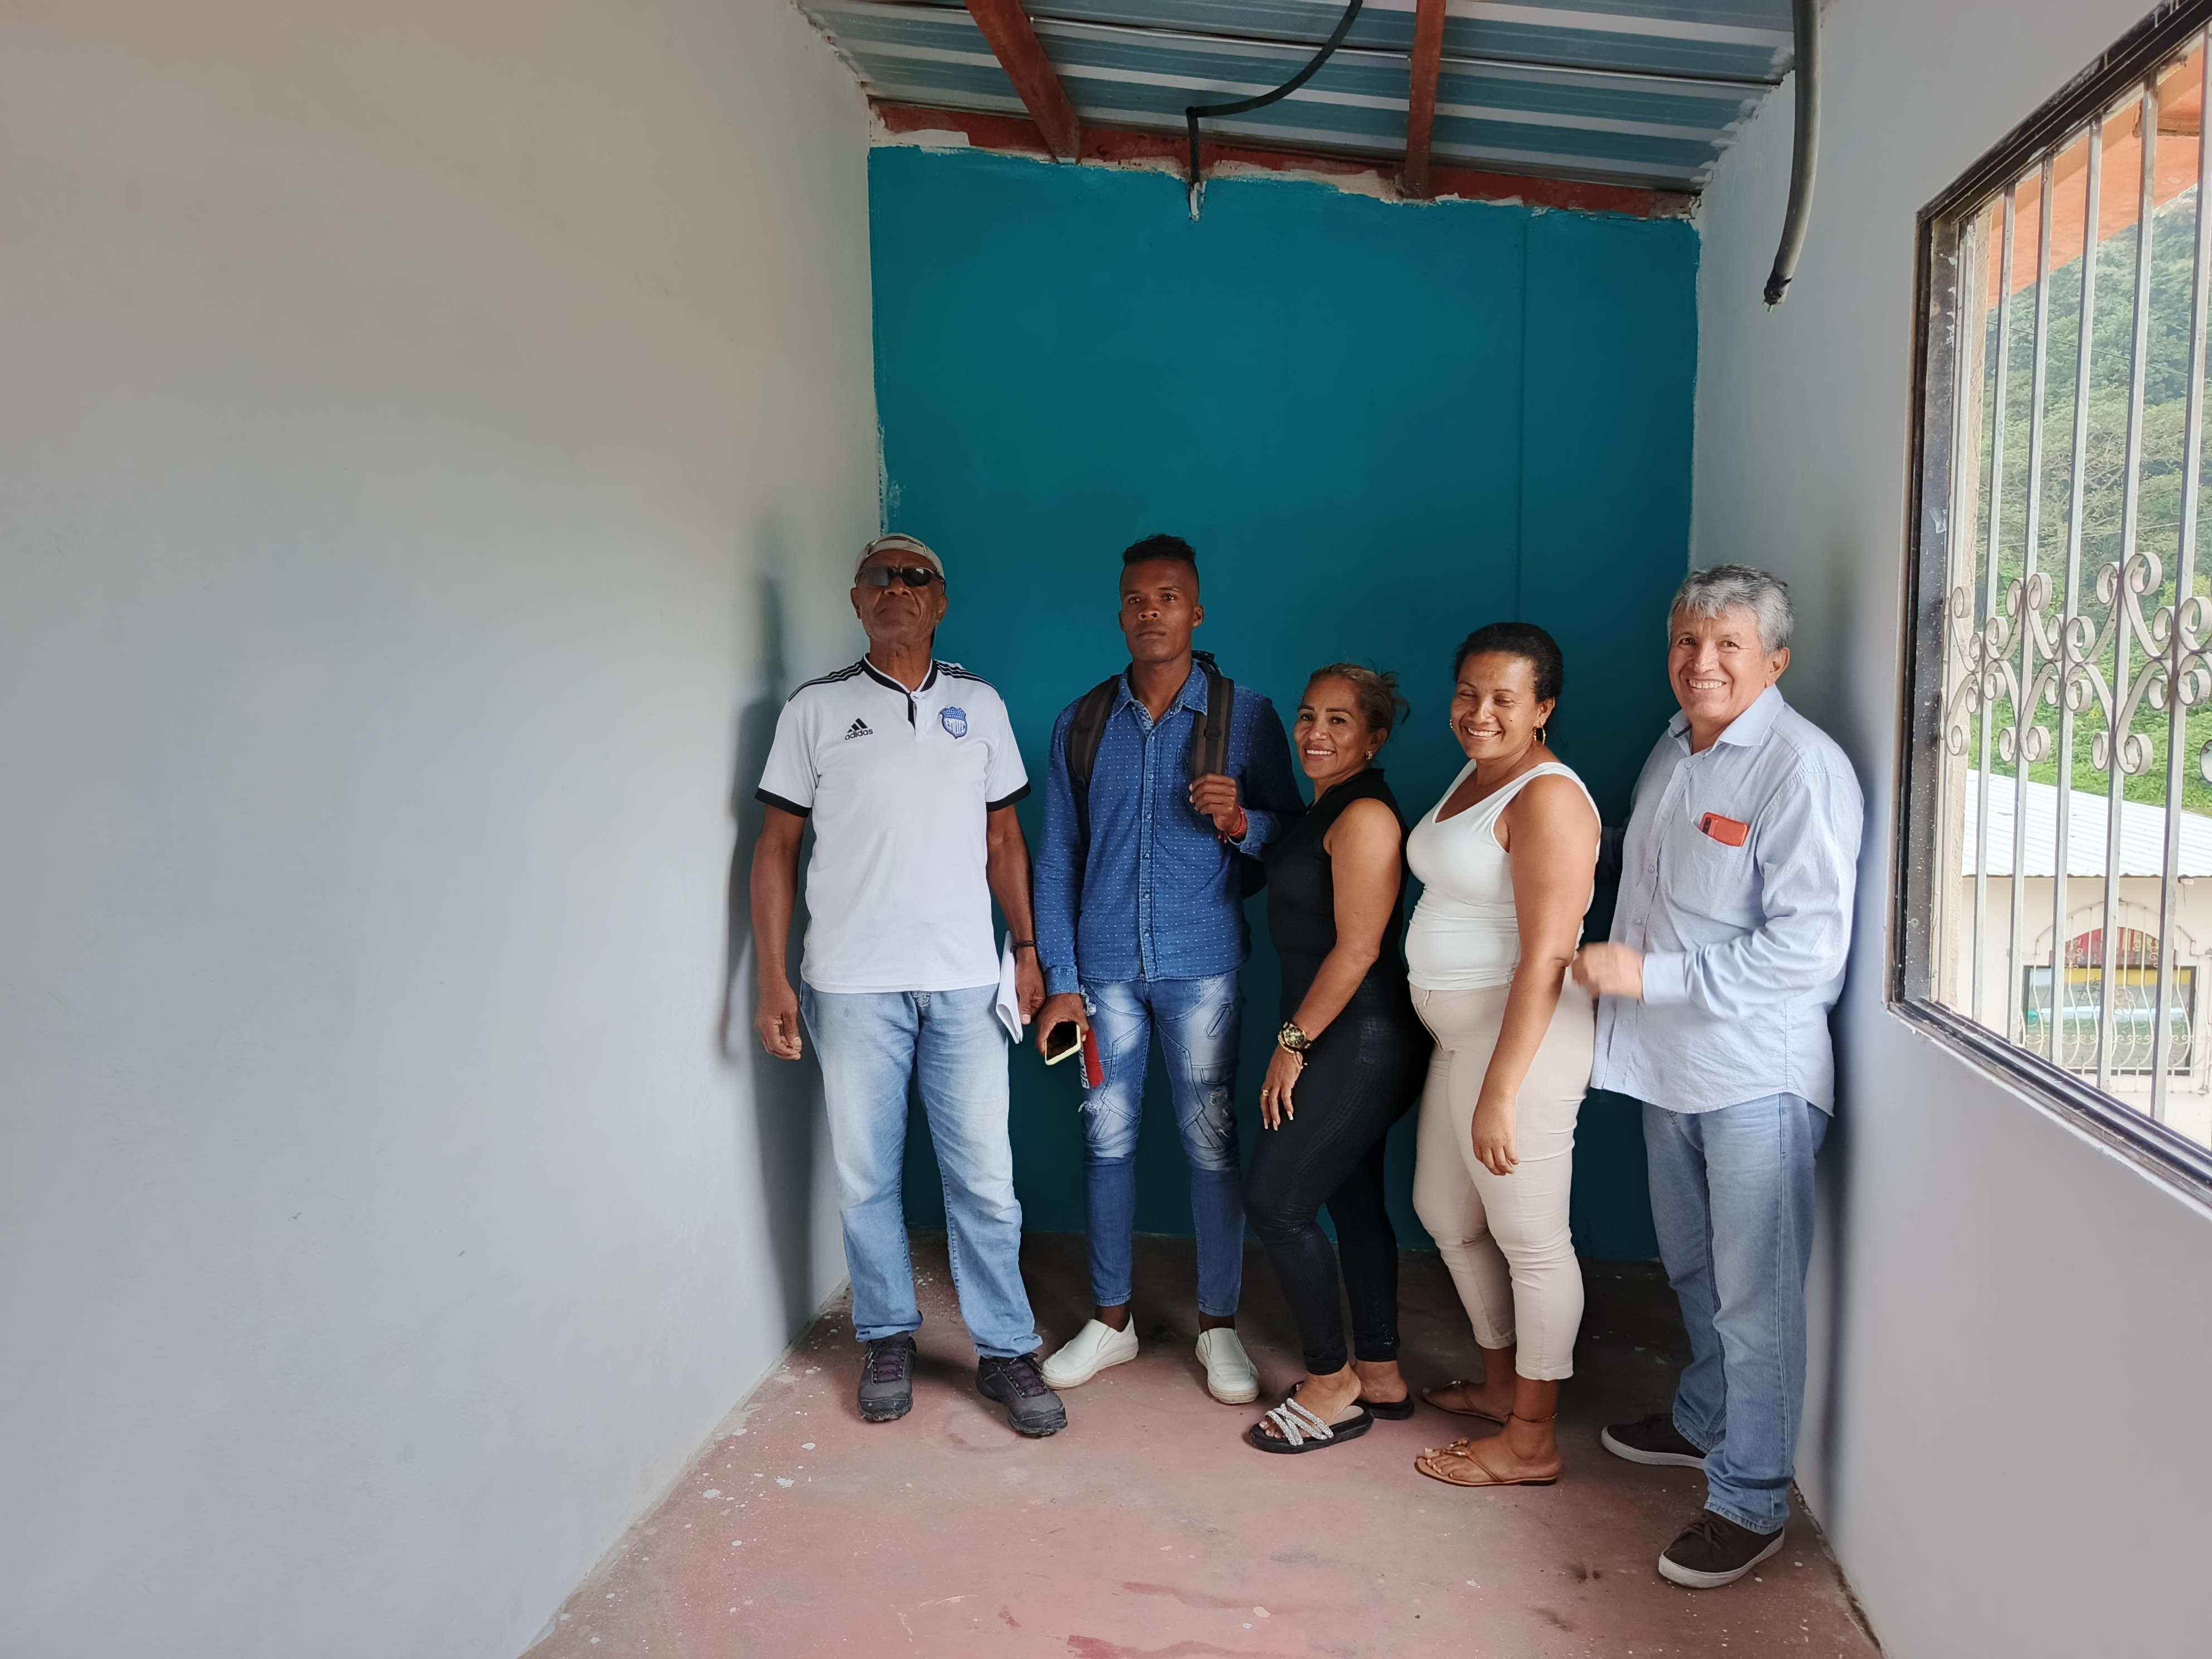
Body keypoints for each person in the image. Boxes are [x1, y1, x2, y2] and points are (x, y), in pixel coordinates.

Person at [1572, 565, 1861, 1589]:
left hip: (1755, 1079)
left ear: (1774, 661)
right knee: (1692, 1270)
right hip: (1669, 1066)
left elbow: (1807, 954)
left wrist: (1648, 976)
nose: (1703, 663)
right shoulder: (1674, 747)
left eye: (1729, 644)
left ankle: (1751, 1501)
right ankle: (1705, 1419)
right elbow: (1651, 871)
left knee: (1755, 1299)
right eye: (1688, 642)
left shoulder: (1800, 769)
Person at [750, 532, 1065, 1438]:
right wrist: (771, 976)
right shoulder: (815, 710)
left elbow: (1005, 839)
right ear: (857, 602)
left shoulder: (979, 705)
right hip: (851, 984)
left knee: (986, 1181)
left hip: (966, 981)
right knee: (865, 1178)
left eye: (914, 577)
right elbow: (776, 848)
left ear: (940, 602)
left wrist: (1028, 949)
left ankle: (1006, 1349)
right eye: (878, 578)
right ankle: (886, 1335)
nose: (896, 588)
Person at [1032, 534, 1303, 1405]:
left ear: (1197, 612)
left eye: (1169, 597)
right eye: (1137, 599)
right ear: (1121, 615)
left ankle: (1218, 1327)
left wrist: (1243, 824)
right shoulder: (1080, 724)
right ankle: (1111, 1322)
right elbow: (1058, 857)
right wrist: (1062, 979)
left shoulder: (1246, 716)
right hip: (1103, 973)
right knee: (1105, 1142)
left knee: (1212, 1146)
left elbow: (1296, 836)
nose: (1152, 611)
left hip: (1203, 969)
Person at [1400, 623, 1601, 1489]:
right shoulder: (1478, 771)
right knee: (1446, 1215)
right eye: (1468, 694)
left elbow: (1546, 956)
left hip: (1523, 1044)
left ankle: (1532, 1440)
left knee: (1532, 1241)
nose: (1479, 713)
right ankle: (1499, 1388)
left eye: (1504, 700)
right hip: (1462, 1037)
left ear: (1543, 709)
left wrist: (1502, 1091)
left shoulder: (1548, 798)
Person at [1241, 666, 1433, 1453]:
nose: (1315, 733)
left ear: (1375, 738)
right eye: (1308, 715)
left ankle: (1332, 1386)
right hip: (1341, 1035)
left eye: (1340, 722)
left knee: (1277, 1204)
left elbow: (1357, 951)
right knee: (1352, 1203)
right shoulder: (1326, 806)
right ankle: (1379, 1372)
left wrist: (1291, 1045)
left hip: (1363, 1040)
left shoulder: (1366, 818)